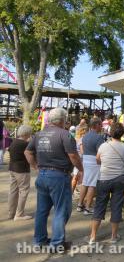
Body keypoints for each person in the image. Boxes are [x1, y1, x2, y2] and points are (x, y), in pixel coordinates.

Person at [24, 107, 83, 251]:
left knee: (42, 211)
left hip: (43, 176)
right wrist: (81, 169)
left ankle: (39, 240)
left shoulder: (39, 134)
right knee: (61, 210)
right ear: (63, 120)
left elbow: (27, 152)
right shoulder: (65, 135)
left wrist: (36, 167)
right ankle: (56, 244)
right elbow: (73, 156)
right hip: (59, 176)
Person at [88, 122, 124, 244]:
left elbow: (97, 160)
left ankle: (93, 236)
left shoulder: (103, 146)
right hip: (120, 179)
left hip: (104, 178)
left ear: (110, 132)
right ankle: (113, 236)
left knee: (99, 205)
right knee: (116, 206)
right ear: (122, 134)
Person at [77, 118, 104, 215]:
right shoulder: (99, 137)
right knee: (92, 185)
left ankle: (80, 205)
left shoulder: (85, 136)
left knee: (85, 183)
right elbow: (100, 153)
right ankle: (87, 208)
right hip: (94, 162)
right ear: (96, 125)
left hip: (85, 160)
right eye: (100, 125)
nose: (102, 127)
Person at [8, 125, 33, 221]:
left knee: (13, 191)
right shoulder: (25, 144)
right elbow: (32, 154)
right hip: (22, 170)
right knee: (24, 191)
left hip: (12, 168)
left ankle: (12, 213)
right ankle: (19, 214)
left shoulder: (14, 142)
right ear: (27, 133)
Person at [72, 125, 88, 194]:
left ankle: (71, 192)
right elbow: (82, 151)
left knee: (76, 177)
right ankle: (72, 192)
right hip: (81, 160)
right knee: (78, 177)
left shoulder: (78, 139)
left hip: (79, 159)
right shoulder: (82, 139)